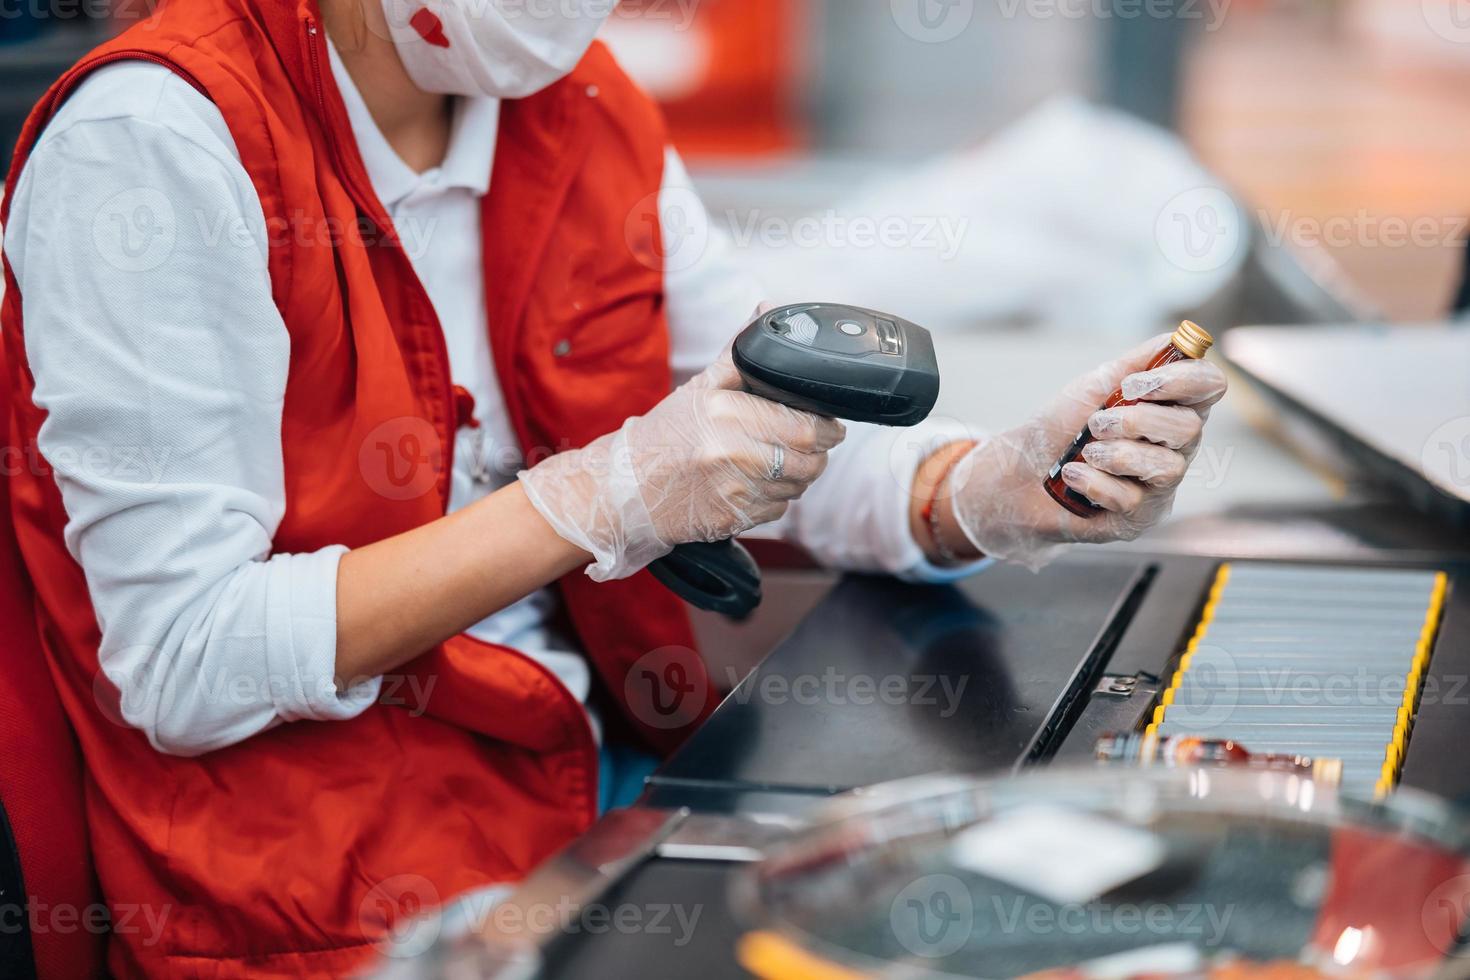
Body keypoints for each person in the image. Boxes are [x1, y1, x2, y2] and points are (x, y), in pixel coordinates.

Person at [0, 0, 1228, 973]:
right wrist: (595, 501)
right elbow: (180, 659)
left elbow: (743, 429)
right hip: (313, 895)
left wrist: (979, 490)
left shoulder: (578, 105)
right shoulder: (154, 147)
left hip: (583, 777)